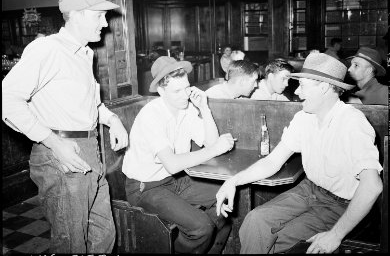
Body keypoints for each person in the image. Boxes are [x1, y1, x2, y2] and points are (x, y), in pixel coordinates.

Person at [2, 0, 129, 253]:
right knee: (71, 243)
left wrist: (112, 119)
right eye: (99, 15)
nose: (105, 23)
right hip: (61, 152)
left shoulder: (84, 53)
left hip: (88, 148)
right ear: (78, 13)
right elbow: (6, 99)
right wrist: (52, 142)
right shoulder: (48, 49)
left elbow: (87, 105)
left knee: (103, 234)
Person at [215, 52, 383, 254]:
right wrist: (233, 181)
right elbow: (273, 161)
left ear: (323, 87)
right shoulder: (304, 117)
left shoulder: (352, 123)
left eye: (303, 85)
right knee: (254, 222)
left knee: (274, 242)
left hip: (341, 204)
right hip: (310, 190)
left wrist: (335, 235)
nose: (298, 92)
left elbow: (372, 186)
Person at [122, 56, 235, 254]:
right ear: (160, 91)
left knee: (223, 196)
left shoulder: (187, 109)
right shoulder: (151, 115)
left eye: (186, 88)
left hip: (174, 182)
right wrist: (215, 149)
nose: (185, 95)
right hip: (145, 189)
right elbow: (173, 164)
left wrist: (204, 109)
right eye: (177, 91)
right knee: (201, 227)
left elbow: (211, 142)